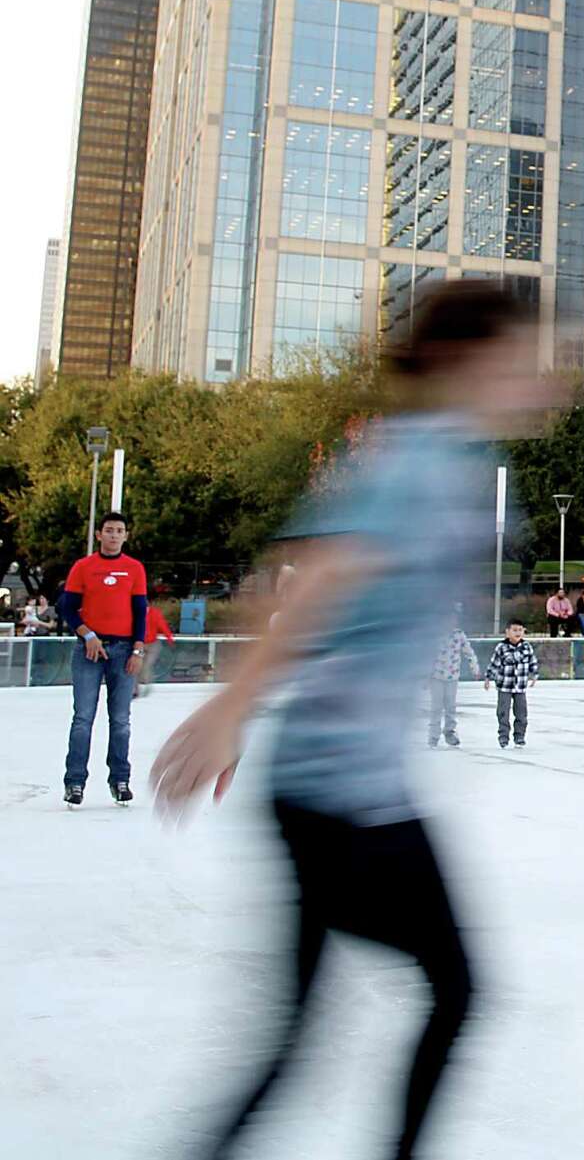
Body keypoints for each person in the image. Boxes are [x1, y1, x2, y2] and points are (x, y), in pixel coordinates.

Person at [150, 283, 543, 1160]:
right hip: (347, 795)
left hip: (324, 785)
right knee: (456, 987)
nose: (534, 378)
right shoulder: (422, 461)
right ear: (466, 360)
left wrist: (242, 712)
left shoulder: (442, 457)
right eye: (519, 358)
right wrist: (229, 708)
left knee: (294, 1040)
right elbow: (317, 581)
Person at [58, 512, 148, 808]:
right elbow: (67, 608)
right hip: (90, 650)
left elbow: (140, 611)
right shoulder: (83, 567)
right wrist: (88, 635)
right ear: (99, 534)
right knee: (83, 718)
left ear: (126, 536)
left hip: (123, 651)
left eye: (119, 531)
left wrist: (137, 650)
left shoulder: (134, 569)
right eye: (109, 530)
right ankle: (74, 782)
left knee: (120, 720)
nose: (113, 535)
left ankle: (120, 779)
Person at [428, 608, 480, 747]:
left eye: (453, 619)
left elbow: (469, 653)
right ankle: (433, 736)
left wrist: (475, 668)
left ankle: (449, 732)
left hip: (452, 677)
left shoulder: (459, 635)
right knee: (436, 707)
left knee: (450, 706)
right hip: (436, 677)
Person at [484, 620, 539, 749]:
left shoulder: (526, 647)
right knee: (503, 712)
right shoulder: (501, 647)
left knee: (521, 713)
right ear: (507, 632)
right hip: (504, 685)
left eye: (520, 630)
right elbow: (494, 664)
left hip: (520, 686)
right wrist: (488, 678)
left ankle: (519, 736)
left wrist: (534, 675)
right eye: (514, 630)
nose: (517, 633)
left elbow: (532, 662)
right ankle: (503, 736)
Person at [134, 603, 177, 698]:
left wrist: (170, 640)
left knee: (146, 665)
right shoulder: (135, 613)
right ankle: (136, 689)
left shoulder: (155, 613)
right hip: (140, 645)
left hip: (152, 645)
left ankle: (146, 684)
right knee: (137, 665)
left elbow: (163, 626)